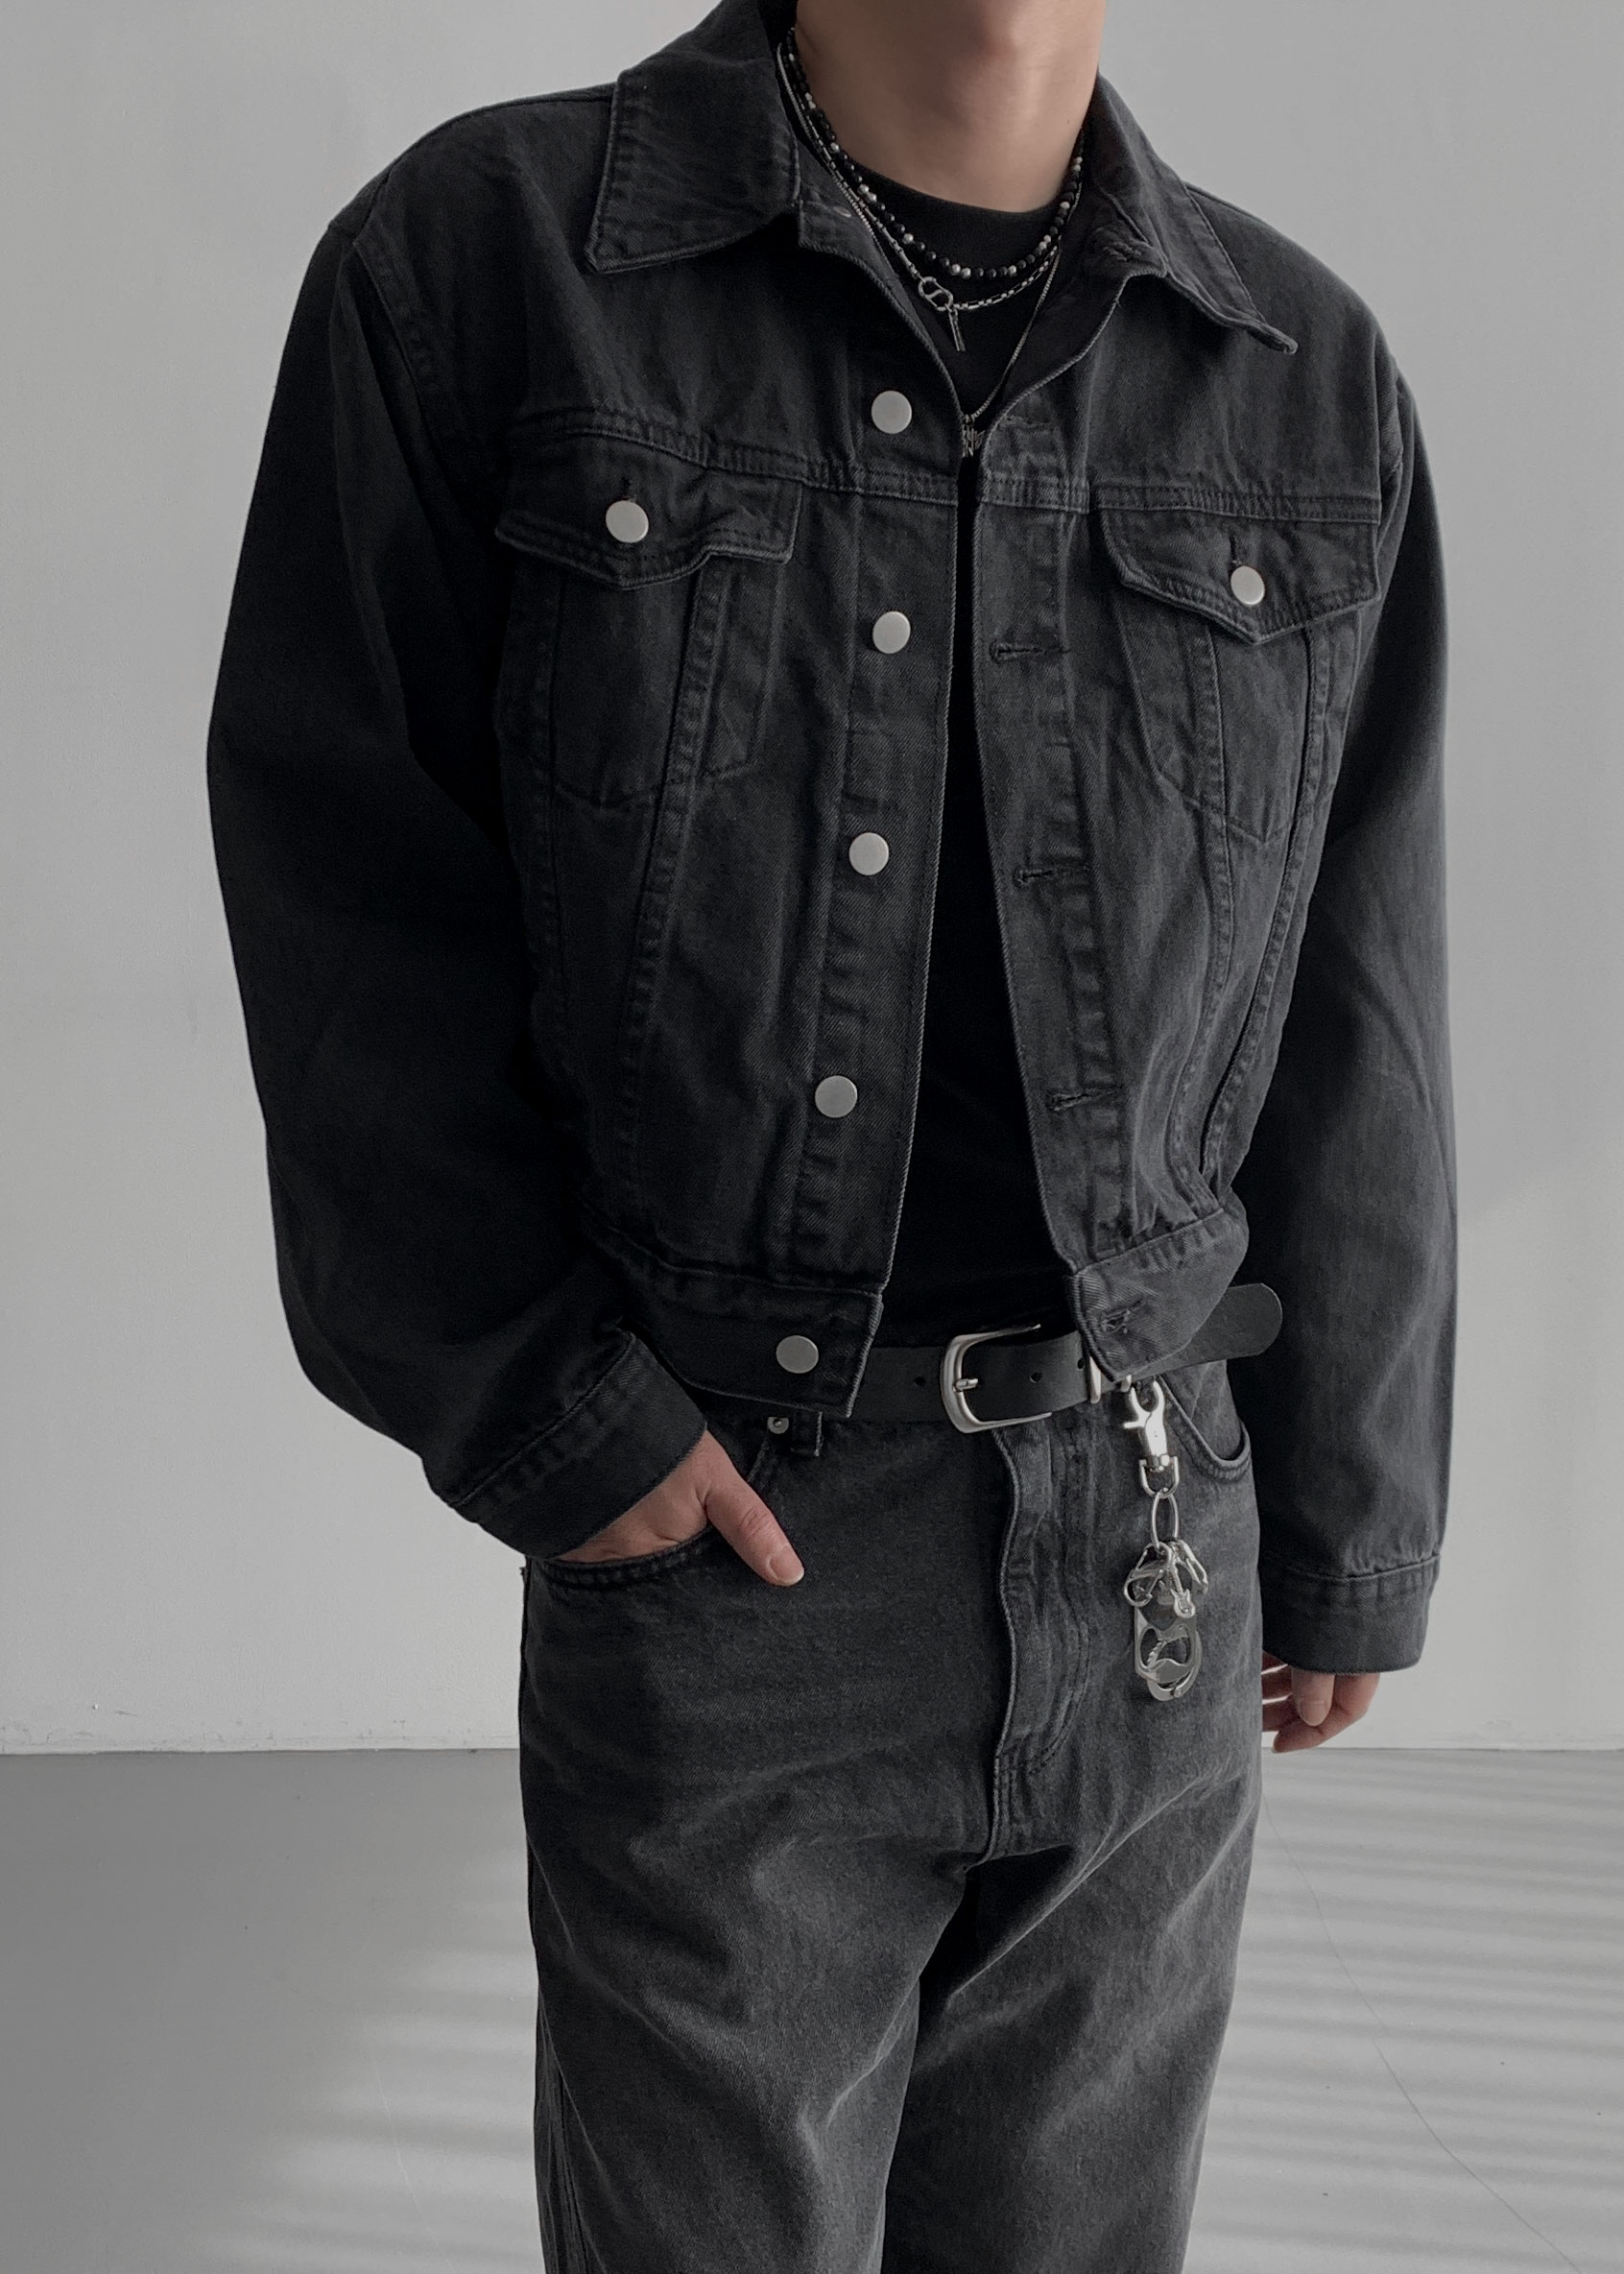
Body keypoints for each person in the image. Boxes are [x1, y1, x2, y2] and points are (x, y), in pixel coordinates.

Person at [206, 0, 1455, 2262]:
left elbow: (1356, 974)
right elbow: (347, 896)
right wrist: (550, 1408)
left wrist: (1352, 1503)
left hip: (1154, 1550)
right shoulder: (494, 259)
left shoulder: (1300, 370)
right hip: (736, 1543)